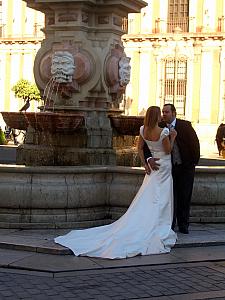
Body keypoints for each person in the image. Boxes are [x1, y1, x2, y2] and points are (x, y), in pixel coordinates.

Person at [55, 106, 177, 259]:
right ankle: (159, 224)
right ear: (157, 116)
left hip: (152, 169)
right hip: (164, 167)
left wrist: (145, 164)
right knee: (163, 197)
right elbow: (168, 151)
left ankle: (149, 221)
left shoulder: (143, 130)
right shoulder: (164, 132)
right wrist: (173, 137)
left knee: (150, 194)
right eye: (160, 114)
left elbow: (139, 148)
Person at [145, 104, 200, 234]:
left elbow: (195, 144)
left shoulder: (185, 125)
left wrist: (192, 163)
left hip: (185, 168)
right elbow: (146, 146)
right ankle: (170, 224)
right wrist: (148, 159)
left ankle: (183, 224)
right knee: (169, 197)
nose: (164, 114)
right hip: (167, 168)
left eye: (167, 112)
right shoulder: (160, 127)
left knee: (185, 196)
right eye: (163, 112)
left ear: (174, 113)